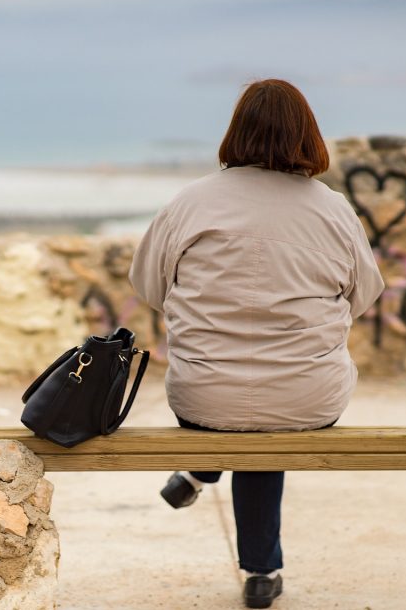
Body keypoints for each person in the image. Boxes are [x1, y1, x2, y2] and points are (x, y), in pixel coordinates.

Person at [128, 78, 384, 609]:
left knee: (242, 414)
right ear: (307, 136)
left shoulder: (190, 203)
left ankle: (205, 477)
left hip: (203, 398)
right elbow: (365, 296)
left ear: (235, 132)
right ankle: (262, 574)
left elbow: (148, 288)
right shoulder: (334, 210)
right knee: (270, 414)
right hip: (307, 398)